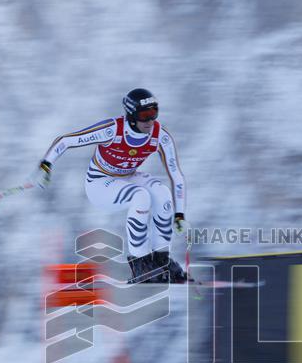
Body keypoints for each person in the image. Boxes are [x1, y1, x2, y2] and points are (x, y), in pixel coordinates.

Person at [30, 88, 189, 283]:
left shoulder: (160, 136)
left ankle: (162, 261)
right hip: (100, 183)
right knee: (141, 196)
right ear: (131, 115)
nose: (150, 121)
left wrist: (179, 213)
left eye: (154, 113)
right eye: (144, 115)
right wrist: (46, 164)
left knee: (162, 194)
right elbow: (67, 140)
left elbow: (176, 175)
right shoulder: (112, 130)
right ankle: (141, 265)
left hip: (127, 176)